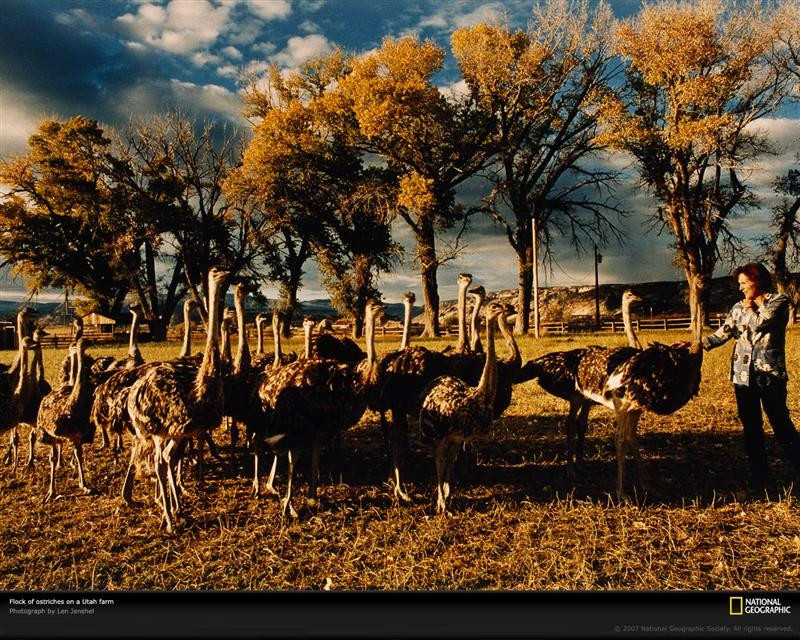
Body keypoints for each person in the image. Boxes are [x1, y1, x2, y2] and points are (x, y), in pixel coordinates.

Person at [703, 263, 800, 495]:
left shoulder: (779, 302)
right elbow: (723, 333)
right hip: (743, 377)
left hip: (770, 375)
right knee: (752, 428)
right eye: (739, 284)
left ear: (758, 281)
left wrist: (748, 309)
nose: (741, 288)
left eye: (744, 283)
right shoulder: (738, 307)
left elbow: (760, 323)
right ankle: (760, 478)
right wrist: (697, 345)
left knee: (781, 424)